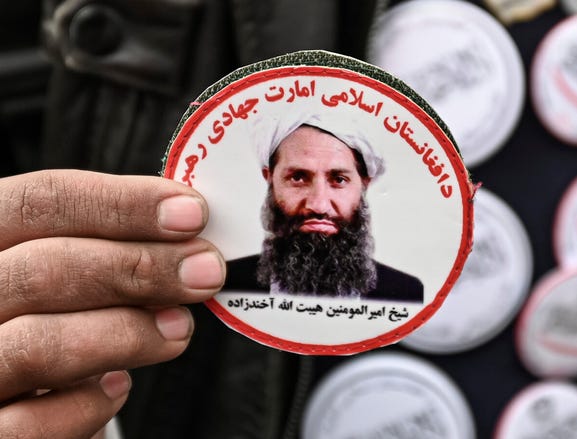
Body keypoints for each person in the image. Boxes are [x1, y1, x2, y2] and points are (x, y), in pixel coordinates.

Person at [223, 122, 424, 301]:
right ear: (269, 178)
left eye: (339, 180)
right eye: (298, 178)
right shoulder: (225, 283)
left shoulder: (407, 294)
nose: (319, 205)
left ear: (364, 184)